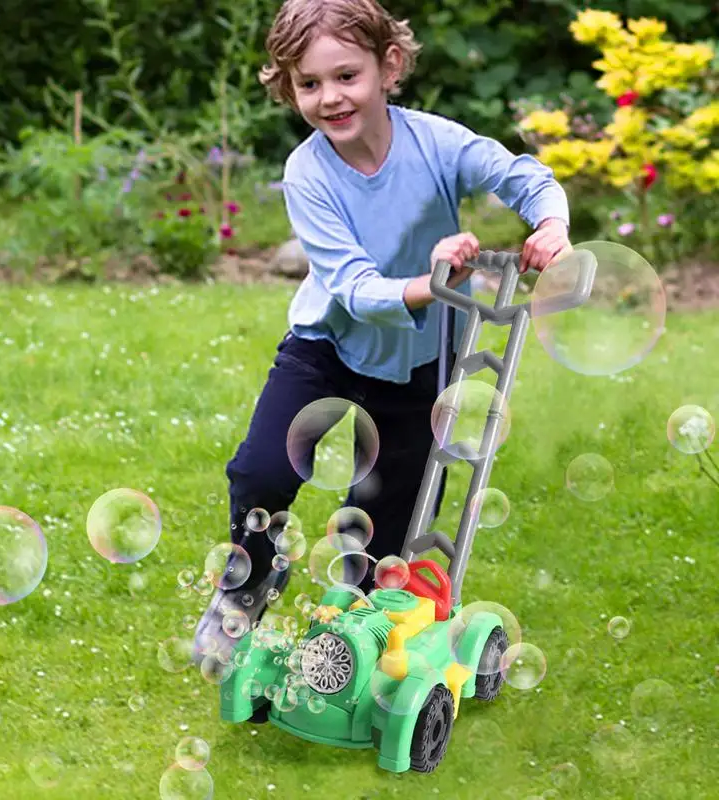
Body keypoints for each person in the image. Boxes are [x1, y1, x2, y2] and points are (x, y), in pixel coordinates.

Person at [194, 0, 572, 662]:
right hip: (327, 347)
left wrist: (550, 225)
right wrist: (435, 283)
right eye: (309, 84)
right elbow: (353, 287)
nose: (329, 98)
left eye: (346, 76)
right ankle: (246, 588)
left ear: (388, 65)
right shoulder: (308, 173)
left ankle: (354, 642)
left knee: (389, 509)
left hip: (424, 362)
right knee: (260, 471)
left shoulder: (438, 143)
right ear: (289, 87)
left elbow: (524, 178)